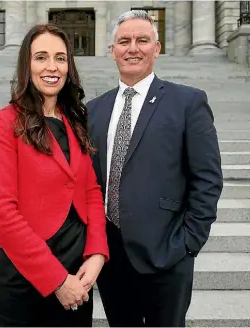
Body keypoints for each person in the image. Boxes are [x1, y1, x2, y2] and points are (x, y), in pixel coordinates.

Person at [87, 10, 223, 327]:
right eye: (124, 41)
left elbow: (207, 179)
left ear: (156, 49)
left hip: (167, 253)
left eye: (142, 40)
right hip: (111, 256)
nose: (132, 48)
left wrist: (189, 242)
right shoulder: (93, 109)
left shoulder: (187, 102)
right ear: (113, 50)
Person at [0, 24, 109, 327]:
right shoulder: (6, 122)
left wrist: (96, 254)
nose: (52, 67)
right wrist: (55, 280)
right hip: (25, 273)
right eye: (41, 57)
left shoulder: (75, 121)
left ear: (69, 67)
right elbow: (2, 213)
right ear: (27, 65)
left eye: (60, 58)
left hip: (77, 274)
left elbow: (91, 191)